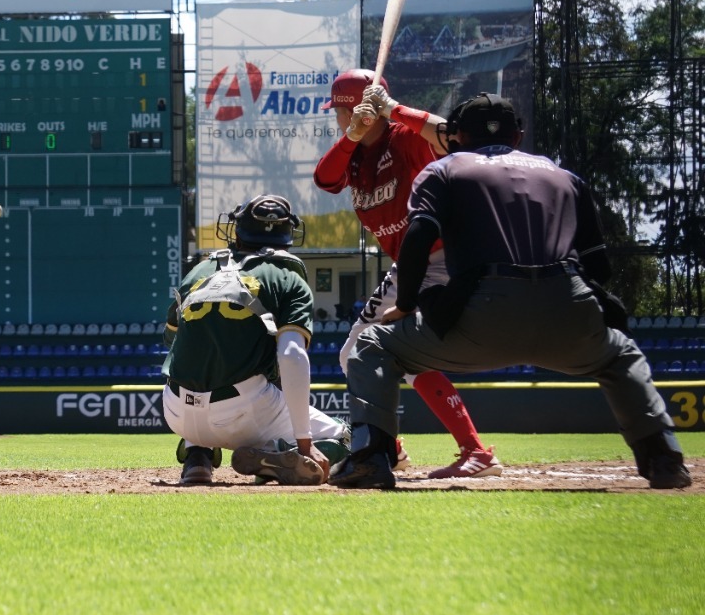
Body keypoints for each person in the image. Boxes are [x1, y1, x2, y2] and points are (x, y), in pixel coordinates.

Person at [330, 93, 692, 490]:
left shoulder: (444, 169)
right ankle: (664, 461)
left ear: (456, 136)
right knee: (621, 355)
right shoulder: (563, 176)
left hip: (480, 315)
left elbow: (417, 239)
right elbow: (599, 267)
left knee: (371, 345)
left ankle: (371, 459)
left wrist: (405, 303)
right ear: (518, 135)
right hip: (567, 310)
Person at [315, 68, 501, 479]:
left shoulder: (404, 138)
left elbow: (450, 136)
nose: (338, 119)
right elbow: (324, 180)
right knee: (356, 352)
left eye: (339, 111)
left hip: (447, 256)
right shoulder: (353, 152)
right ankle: (393, 449)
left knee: (384, 351)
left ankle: (467, 451)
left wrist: (393, 109)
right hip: (412, 265)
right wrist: (353, 135)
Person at [161, 194, 357, 487]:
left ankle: (197, 456)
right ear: (288, 233)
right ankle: (274, 456)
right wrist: (304, 443)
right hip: (244, 414)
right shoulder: (288, 277)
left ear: (237, 231)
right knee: (348, 438)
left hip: (176, 411)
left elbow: (172, 341)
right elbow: (291, 355)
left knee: (210, 362)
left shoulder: (199, 271)